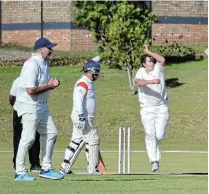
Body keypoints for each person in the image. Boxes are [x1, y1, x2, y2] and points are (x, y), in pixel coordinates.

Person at [14, 37, 64, 181]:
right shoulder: (32, 64)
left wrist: (51, 83)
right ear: (41, 50)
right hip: (30, 105)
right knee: (28, 138)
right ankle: (20, 172)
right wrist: (49, 86)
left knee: (51, 133)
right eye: (49, 48)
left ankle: (46, 168)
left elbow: (44, 84)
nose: (51, 51)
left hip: (42, 105)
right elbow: (30, 90)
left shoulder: (44, 64)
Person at [60, 60, 103, 175]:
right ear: (90, 71)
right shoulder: (82, 83)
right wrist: (81, 116)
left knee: (77, 141)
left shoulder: (88, 83)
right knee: (89, 140)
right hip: (82, 117)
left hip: (84, 117)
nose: (98, 74)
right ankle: (91, 168)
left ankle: (65, 167)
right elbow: (77, 100)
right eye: (97, 72)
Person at [134, 45, 169, 172]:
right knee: (150, 134)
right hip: (146, 108)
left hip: (161, 107)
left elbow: (162, 60)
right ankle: (154, 160)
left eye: (152, 60)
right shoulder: (141, 71)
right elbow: (138, 82)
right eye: (149, 60)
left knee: (158, 136)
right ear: (144, 64)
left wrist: (149, 52)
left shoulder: (159, 69)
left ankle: (155, 157)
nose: (152, 62)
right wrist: (151, 82)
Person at [9, 77, 41, 172]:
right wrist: (16, 106)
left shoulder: (37, 82)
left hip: (34, 111)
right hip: (19, 111)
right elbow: (11, 97)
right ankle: (17, 164)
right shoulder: (18, 80)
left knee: (34, 137)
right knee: (18, 138)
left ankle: (35, 164)